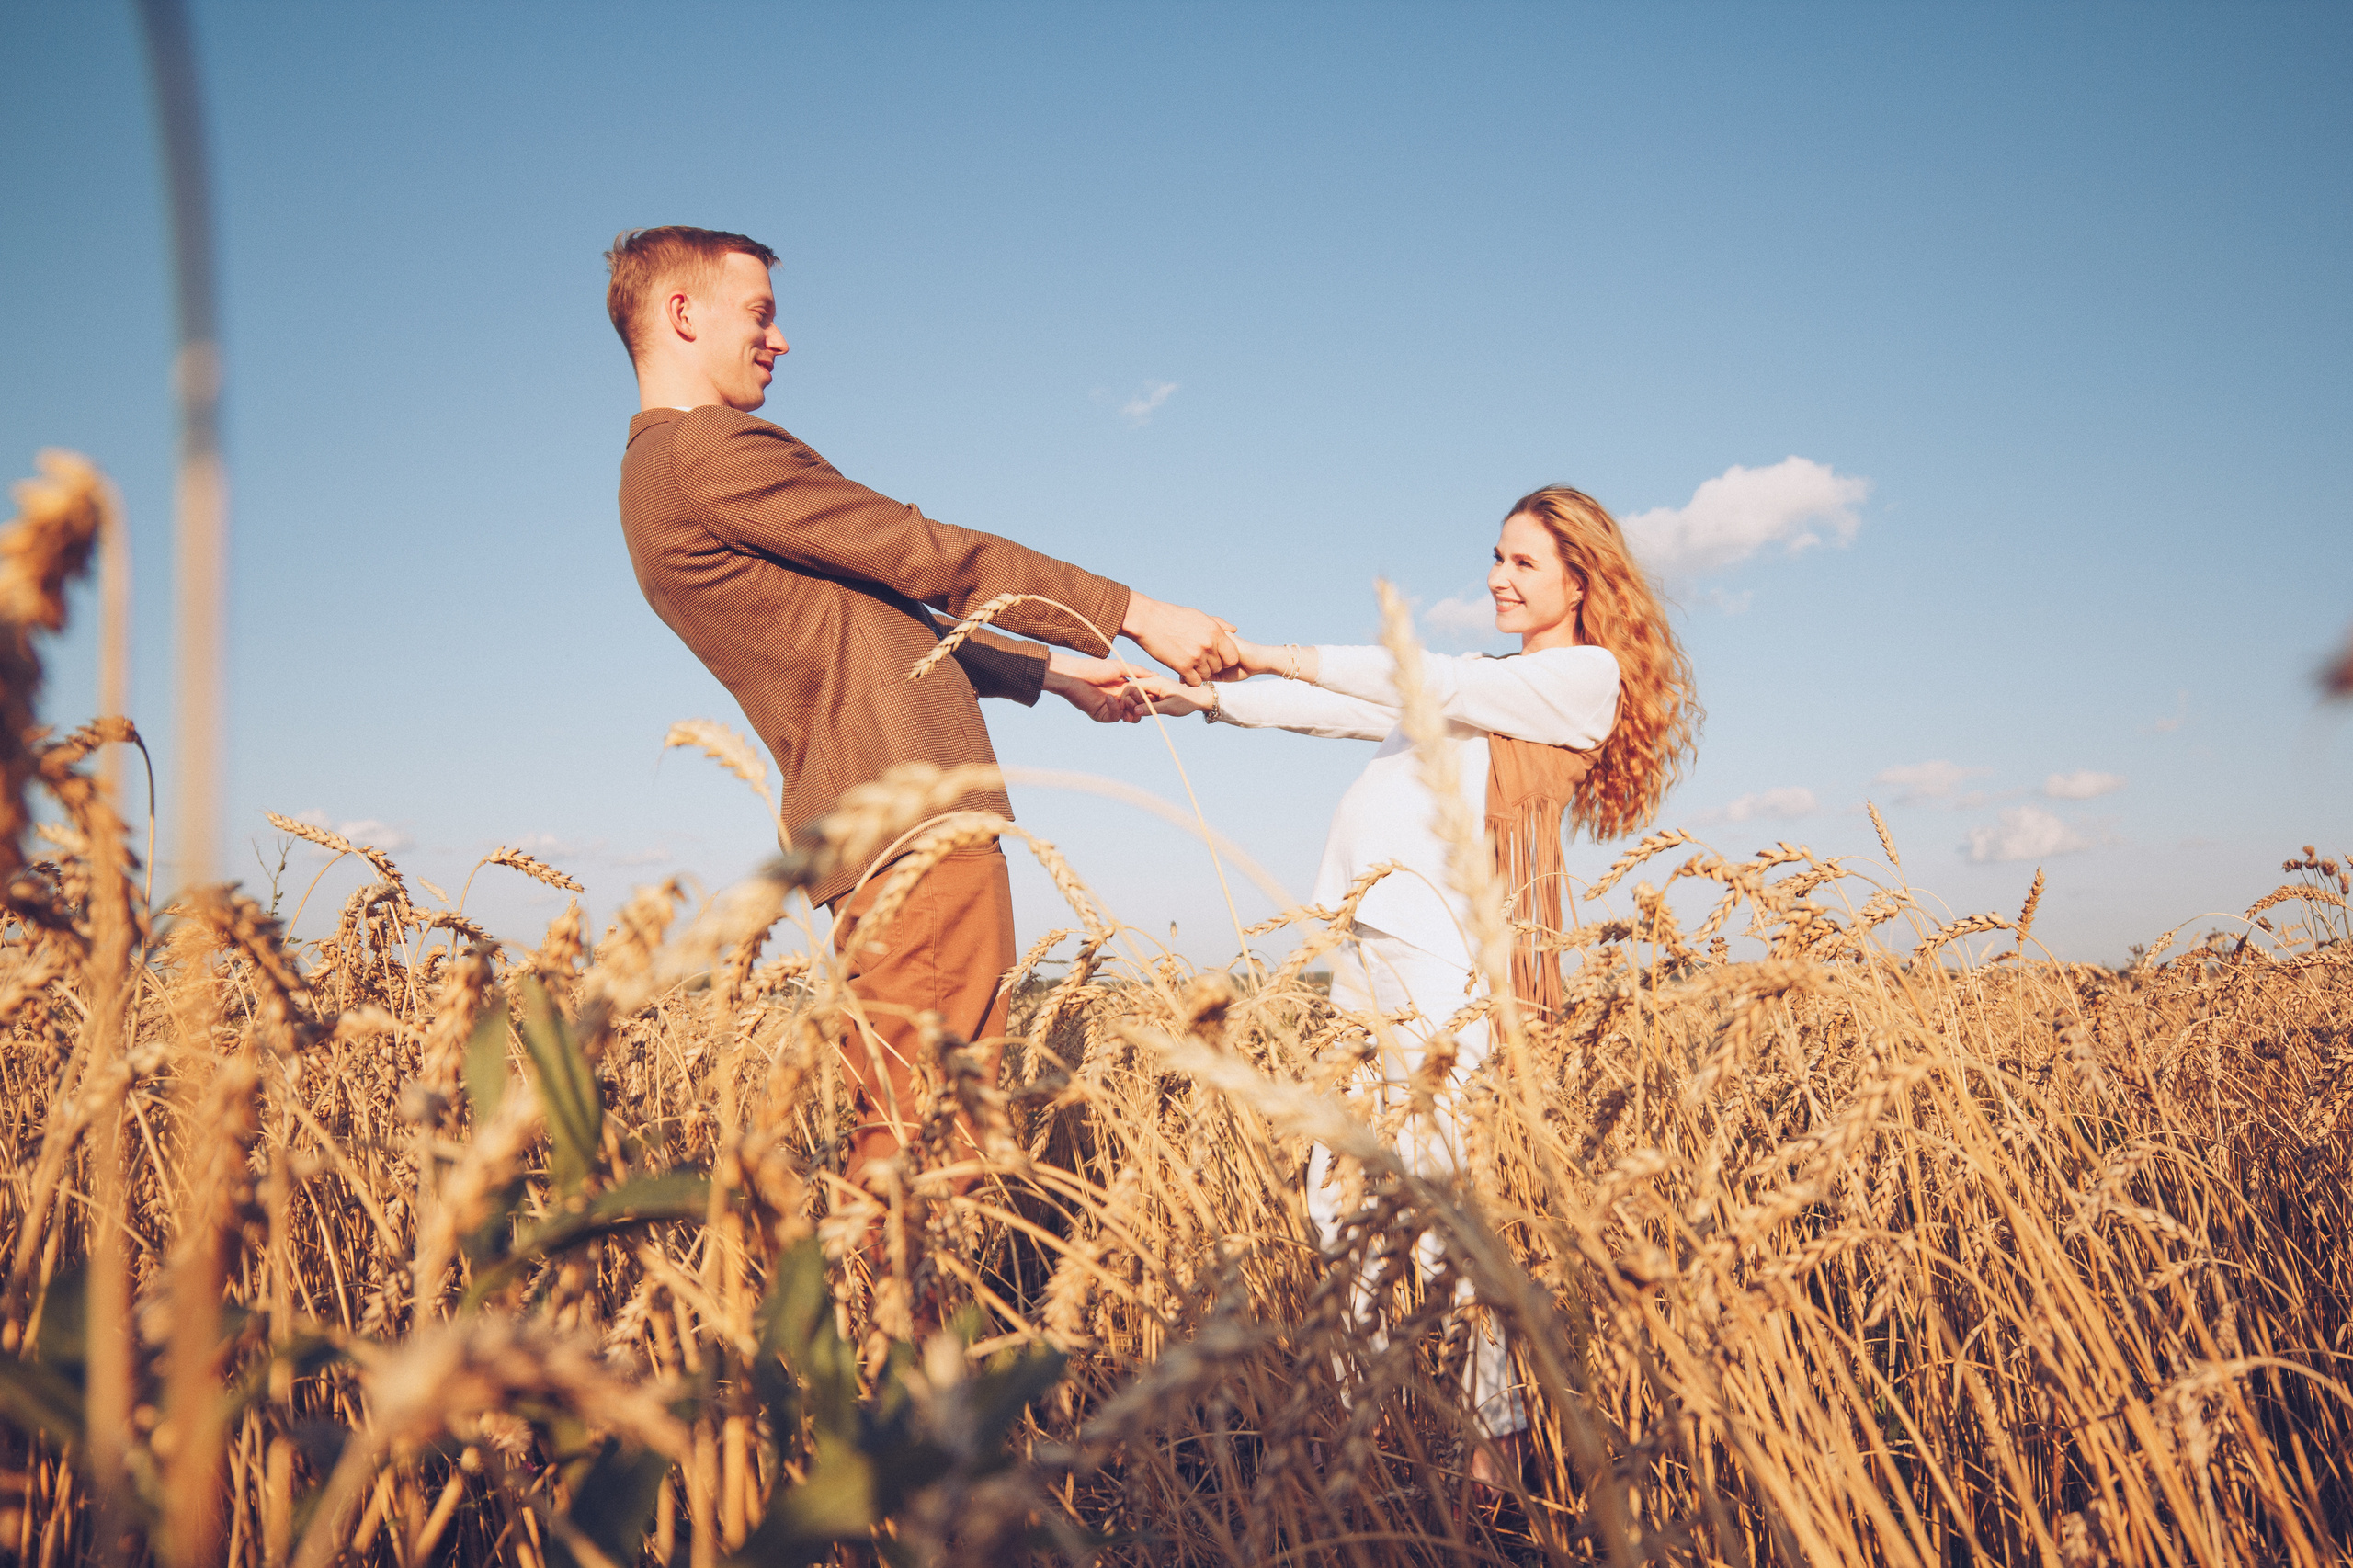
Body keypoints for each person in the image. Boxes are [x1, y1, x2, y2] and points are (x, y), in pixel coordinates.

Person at [606, 224, 1229, 1202]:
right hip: (914, 823)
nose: (780, 339)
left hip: (871, 824)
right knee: (932, 1150)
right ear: (682, 313)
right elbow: (923, 554)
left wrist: (1054, 674)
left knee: (909, 1127)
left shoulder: (657, 475)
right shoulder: (704, 450)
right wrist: (1133, 613)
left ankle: (868, 1301)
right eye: (760, 314)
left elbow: (866, 617)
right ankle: (885, 1309)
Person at [1135, 485, 1699, 1450]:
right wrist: (1208, 698)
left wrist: (1263, 649)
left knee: (1443, 1206)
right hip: (1375, 941)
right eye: (1497, 556)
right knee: (1337, 1195)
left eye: (1523, 562)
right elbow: (1345, 707)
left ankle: (1492, 1448)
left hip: (1449, 958)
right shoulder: (1485, 680)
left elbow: (1413, 680)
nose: (1498, 576)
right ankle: (1363, 1423)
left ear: (1581, 580)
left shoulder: (1581, 678)